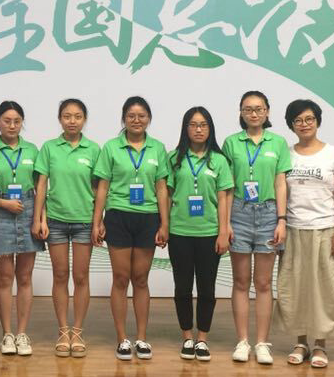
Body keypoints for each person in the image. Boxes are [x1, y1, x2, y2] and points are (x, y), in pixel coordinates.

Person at [275, 99, 334, 368]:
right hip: (294, 230)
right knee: (296, 289)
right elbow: (280, 191)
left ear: (318, 121)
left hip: (325, 229)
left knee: (325, 290)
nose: (304, 124)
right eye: (298, 120)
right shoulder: (286, 154)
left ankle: (320, 345)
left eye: (309, 119)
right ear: (291, 125)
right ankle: (301, 343)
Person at [91, 96, 170, 361]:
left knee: (141, 279)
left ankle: (142, 338)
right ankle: (122, 338)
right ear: (123, 119)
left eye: (142, 116)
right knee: (121, 278)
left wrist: (164, 223)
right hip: (118, 217)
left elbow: (161, 188)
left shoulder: (157, 148)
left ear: (149, 119)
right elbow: (102, 187)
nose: (136, 120)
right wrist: (97, 221)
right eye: (131, 116)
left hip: (148, 218)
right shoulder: (111, 148)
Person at [222, 90, 291, 365]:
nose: (254, 113)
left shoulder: (278, 143)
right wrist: (226, 222)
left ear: (267, 112)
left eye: (259, 109)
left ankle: (262, 343)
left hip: (268, 214)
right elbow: (226, 186)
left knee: (263, 283)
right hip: (239, 213)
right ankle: (242, 341)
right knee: (241, 282)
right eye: (248, 109)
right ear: (241, 112)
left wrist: (281, 220)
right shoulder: (231, 143)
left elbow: (280, 183)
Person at [32, 98, 100, 358]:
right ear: (60, 119)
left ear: (85, 119)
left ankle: (78, 331)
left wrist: (98, 221)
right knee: (60, 275)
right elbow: (41, 186)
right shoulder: (49, 148)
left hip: (84, 221)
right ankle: (63, 330)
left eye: (78, 116)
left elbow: (99, 189)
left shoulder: (93, 149)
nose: (72, 121)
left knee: (81, 277)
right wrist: (39, 218)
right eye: (67, 116)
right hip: (56, 221)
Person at [166, 107, 233, 362]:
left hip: (209, 233)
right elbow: (167, 195)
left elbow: (223, 198)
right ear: (186, 128)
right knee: (182, 287)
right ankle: (187, 337)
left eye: (203, 124)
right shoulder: (174, 159)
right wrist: (164, 226)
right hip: (179, 232)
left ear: (210, 128)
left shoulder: (219, 160)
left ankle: (202, 338)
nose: (198, 129)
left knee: (207, 288)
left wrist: (223, 231)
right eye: (193, 124)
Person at [0, 101, 45, 356]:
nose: (12, 125)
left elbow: (41, 188)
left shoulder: (32, 149)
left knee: (24, 277)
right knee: (5, 278)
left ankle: (22, 333)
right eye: (7, 121)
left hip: (29, 210)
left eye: (17, 121)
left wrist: (40, 219)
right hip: (1, 212)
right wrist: (3, 203)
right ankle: (7, 334)